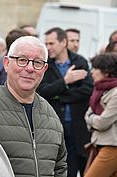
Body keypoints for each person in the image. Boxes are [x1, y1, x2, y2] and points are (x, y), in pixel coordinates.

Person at [0, 36, 67, 177]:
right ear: (6, 63)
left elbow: (60, 166)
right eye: (22, 60)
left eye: (37, 62)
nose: (30, 68)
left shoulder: (50, 114)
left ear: (45, 68)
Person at [36, 27, 93, 177]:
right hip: (54, 124)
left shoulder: (80, 61)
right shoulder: (45, 64)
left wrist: (58, 96)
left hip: (78, 124)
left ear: (63, 42)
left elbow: (86, 91)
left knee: (81, 165)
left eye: (51, 43)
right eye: (46, 43)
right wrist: (65, 81)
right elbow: (42, 92)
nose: (47, 47)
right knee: (61, 166)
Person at [84, 53, 117, 177]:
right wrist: (93, 119)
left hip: (113, 146)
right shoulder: (99, 90)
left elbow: (102, 123)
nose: (92, 72)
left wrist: (91, 119)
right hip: (99, 143)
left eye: (95, 68)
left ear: (106, 72)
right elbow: (87, 114)